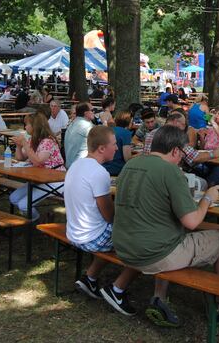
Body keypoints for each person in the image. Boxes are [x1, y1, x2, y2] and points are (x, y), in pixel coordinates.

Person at [113, 125, 219, 327]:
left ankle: (159, 298)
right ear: (175, 151)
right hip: (152, 254)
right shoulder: (170, 170)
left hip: (124, 248)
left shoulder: (130, 165)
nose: (182, 160)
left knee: (171, 233)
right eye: (182, 154)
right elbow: (192, 221)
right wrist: (208, 198)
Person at [67, 125, 139, 315]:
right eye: (114, 144)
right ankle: (117, 290)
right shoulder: (100, 173)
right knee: (143, 242)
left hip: (74, 232)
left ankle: (90, 279)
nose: (116, 148)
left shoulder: (77, 165)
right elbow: (109, 215)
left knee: (115, 232)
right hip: (90, 237)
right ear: (101, 148)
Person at [143, 112, 219, 189]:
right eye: (184, 125)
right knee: (202, 183)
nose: (184, 128)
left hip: (149, 173)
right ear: (175, 122)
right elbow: (193, 157)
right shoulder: (175, 135)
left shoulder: (152, 133)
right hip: (168, 174)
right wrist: (214, 154)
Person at [9, 113, 65, 220]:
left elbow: (38, 162)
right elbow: (20, 158)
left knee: (23, 205)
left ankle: (36, 220)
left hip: (54, 180)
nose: (25, 127)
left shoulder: (48, 141)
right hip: (39, 179)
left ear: (35, 126)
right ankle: (35, 218)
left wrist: (24, 144)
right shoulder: (32, 140)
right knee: (13, 198)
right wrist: (18, 146)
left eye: (27, 124)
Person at [64, 102, 95, 169]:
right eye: (92, 110)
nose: (94, 112)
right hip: (80, 167)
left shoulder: (72, 124)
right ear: (85, 113)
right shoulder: (87, 126)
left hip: (70, 166)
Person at [102, 111, 133, 176]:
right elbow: (127, 158)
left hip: (104, 167)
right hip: (117, 168)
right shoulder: (126, 133)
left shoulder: (108, 130)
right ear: (129, 122)